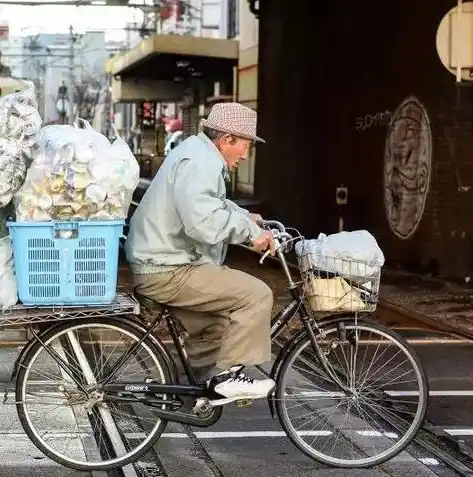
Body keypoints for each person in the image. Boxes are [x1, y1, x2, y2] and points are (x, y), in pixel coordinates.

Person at [125, 102, 276, 402]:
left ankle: (192, 393)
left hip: (163, 262)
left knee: (215, 328)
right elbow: (203, 222)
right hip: (168, 269)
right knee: (257, 294)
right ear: (226, 139)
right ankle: (229, 378)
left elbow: (210, 204)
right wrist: (252, 234)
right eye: (245, 146)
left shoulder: (198, 155)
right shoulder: (199, 162)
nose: (245, 155)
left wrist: (247, 218)